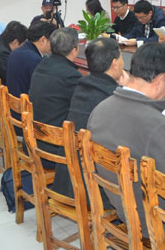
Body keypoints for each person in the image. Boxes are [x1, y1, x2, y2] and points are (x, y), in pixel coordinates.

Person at [88, 42, 165, 238]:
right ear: (160, 80)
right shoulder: (157, 126)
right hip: (158, 224)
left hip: (123, 209)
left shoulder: (99, 109)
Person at [52, 37, 128, 198]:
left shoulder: (83, 85)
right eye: (122, 59)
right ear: (115, 63)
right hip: (94, 189)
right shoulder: (113, 97)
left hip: (68, 181)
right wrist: (126, 90)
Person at [29, 28, 81, 156]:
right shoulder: (71, 75)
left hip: (34, 139)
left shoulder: (43, 64)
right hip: (54, 146)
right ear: (74, 50)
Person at [6, 21, 56, 98]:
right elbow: (41, 91)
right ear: (43, 40)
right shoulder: (35, 60)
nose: (53, 45)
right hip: (26, 104)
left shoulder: (14, 53)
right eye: (52, 41)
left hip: (13, 102)